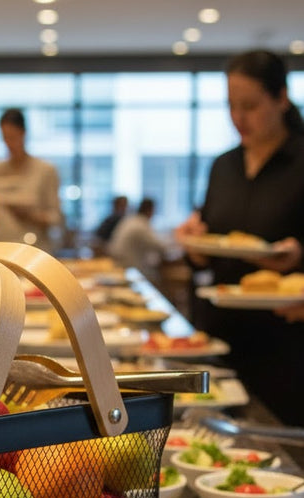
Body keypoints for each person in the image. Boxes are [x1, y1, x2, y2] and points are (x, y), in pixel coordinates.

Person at [174, 49, 304, 426]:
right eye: (231, 106)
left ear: (281, 98)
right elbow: (210, 243)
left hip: (286, 341)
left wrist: (297, 257)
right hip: (223, 334)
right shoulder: (223, 165)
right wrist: (194, 245)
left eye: (249, 105)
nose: (238, 118)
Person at [0, 108, 62, 254]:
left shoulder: (45, 170)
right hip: (1, 250)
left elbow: (56, 218)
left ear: (23, 134)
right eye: (5, 137)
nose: (9, 143)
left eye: (13, 137)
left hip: (35, 252)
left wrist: (29, 215)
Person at [108, 197, 168, 279]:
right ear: (150, 210)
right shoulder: (140, 225)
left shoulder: (131, 219)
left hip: (119, 262)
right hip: (129, 267)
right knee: (156, 276)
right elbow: (159, 246)